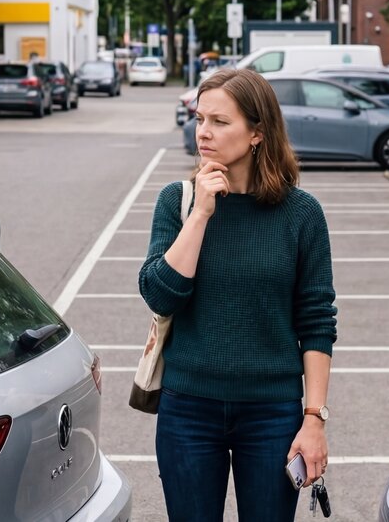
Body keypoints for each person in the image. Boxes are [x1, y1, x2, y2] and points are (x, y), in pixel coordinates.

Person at [138, 68, 337, 521]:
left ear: (257, 134)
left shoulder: (300, 213)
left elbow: (317, 320)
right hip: (188, 410)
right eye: (199, 118)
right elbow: (160, 296)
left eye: (220, 122)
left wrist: (314, 419)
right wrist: (202, 215)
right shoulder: (179, 201)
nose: (203, 132)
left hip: (273, 413)